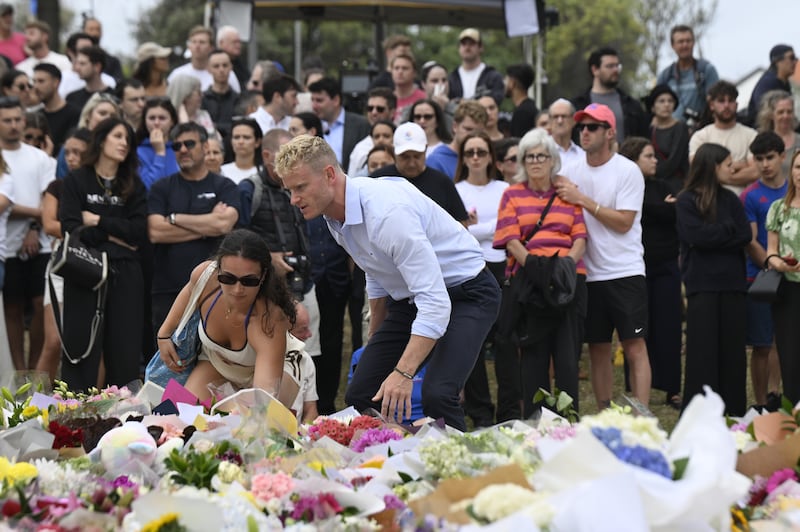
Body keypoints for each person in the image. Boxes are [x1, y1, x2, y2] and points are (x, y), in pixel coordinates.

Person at [275, 135, 501, 431]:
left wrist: (403, 373)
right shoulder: (334, 215)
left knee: (437, 394)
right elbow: (377, 271)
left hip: (468, 292)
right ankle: (386, 460)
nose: (293, 199)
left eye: (300, 187)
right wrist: (376, 342)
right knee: (361, 393)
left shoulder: (386, 213)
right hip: (413, 299)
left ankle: (457, 471)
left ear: (329, 175)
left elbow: (435, 302)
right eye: (289, 190)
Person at [554, 103, 651, 408]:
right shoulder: (568, 171)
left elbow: (624, 222)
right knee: (597, 347)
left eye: (593, 127)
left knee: (634, 345)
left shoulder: (628, 170)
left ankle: (641, 416)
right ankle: (605, 411)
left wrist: (583, 199)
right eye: (581, 126)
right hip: (588, 272)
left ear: (610, 132)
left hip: (625, 270)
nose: (584, 132)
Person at [494, 128, 586, 419]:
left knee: (568, 361)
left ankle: (568, 422)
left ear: (552, 160)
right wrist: (539, 270)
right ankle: (536, 423)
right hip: (530, 285)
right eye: (529, 156)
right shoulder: (511, 195)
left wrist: (562, 270)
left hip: (566, 284)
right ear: (522, 161)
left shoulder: (566, 193)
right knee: (533, 358)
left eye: (541, 156)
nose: (535, 161)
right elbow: (510, 240)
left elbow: (580, 238)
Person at [58, 117, 148, 390]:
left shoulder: (133, 183)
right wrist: (114, 235)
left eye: (128, 140)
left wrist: (98, 222)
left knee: (125, 350)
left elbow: (138, 232)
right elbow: (72, 228)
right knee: (80, 346)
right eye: (118, 136)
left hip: (126, 273)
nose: (124, 144)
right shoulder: (76, 180)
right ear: (101, 139)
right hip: (86, 271)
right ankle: (73, 414)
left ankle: (127, 419)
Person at [156, 229, 296, 400]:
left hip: (275, 373)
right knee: (182, 413)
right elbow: (190, 290)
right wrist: (164, 334)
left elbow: (263, 399)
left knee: (259, 421)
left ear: (263, 276)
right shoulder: (205, 277)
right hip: (216, 363)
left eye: (249, 281)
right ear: (217, 269)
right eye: (228, 279)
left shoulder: (269, 320)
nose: (237, 290)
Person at [676, 143, 750, 415]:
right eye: (728, 164)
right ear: (712, 166)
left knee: (732, 354)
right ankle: (699, 415)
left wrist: (717, 234)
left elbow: (744, 235)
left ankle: (734, 414)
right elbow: (695, 237)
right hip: (702, 286)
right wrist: (725, 232)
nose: (733, 169)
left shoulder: (731, 199)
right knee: (702, 354)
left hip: (732, 285)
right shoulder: (686, 200)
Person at [148, 122, 240, 340]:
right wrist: (207, 225)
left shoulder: (225, 186)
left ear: (205, 146)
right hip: (168, 289)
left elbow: (223, 225)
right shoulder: (161, 188)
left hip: (215, 289)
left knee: (212, 359)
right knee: (170, 362)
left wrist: (174, 219)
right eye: (176, 146)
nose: (182, 150)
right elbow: (156, 232)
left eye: (189, 143)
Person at [619, 137, 682, 410]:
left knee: (668, 326)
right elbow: (633, 215)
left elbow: (675, 214)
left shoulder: (663, 185)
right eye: (648, 155)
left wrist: (662, 209)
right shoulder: (625, 187)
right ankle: (635, 384)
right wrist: (661, 208)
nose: (655, 160)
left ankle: (671, 389)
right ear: (633, 160)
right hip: (635, 267)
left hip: (666, 265)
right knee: (638, 330)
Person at [455, 131, 508, 426]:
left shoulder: (504, 188)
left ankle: (510, 410)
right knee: (472, 345)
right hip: (469, 269)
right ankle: (480, 412)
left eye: (482, 152)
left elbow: (507, 226)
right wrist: (486, 228)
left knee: (505, 344)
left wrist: (472, 227)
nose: (476, 157)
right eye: (470, 152)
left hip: (503, 267)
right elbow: (452, 229)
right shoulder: (455, 190)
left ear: (491, 157)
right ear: (463, 158)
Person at [1, 97, 55, 371]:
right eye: (6, 120)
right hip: (6, 246)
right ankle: (18, 368)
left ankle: (33, 366)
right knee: (11, 307)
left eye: (17, 119)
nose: (13, 125)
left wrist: (34, 226)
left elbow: (49, 203)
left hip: (40, 243)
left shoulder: (40, 159)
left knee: (38, 303)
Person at [36, 127, 90, 382]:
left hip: (93, 269)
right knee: (54, 341)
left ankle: (91, 405)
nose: (70, 157)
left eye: (78, 152)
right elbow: (48, 225)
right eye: (67, 152)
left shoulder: (97, 189)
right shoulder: (57, 186)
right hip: (61, 266)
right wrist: (92, 225)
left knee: (90, 345)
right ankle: (31, 406)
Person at [741, 131, 787, 410]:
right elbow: (750, 240)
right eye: (759, 159)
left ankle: (775, 393)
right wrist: (772, 264)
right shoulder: (749, 195)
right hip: (758, 277)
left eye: (770, 157)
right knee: (760, 344)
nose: (765, 164)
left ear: (783, 156)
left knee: (783, 339)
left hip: (792, 275)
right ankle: (759, 403)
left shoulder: (792, 191)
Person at [373, 122, 468, 223]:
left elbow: (461, 226)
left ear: (426, 149)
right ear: (393, 151)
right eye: (405, 157)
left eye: (417, 156)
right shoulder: (377, 181)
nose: (411, 163)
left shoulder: (442, 183)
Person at [766, 150, 800, 405]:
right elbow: (771, 252)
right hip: (788, 289)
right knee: (790, 354)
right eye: (798, 167)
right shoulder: (779, 208)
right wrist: (780, 264)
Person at [689, 81, 758, 196]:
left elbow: (756, 172)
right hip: (707, 202)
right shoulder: (700, 137)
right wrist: (742, 165)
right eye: (721, 101)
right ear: (712, 105)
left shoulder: (751, 135)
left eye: (730, 100)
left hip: (742, 203)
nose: (726, 105)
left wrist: (717, 172)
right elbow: (699, 171)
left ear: (736, 104)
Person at [571, 47, 647, 143]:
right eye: (610, 66)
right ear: (595, 70)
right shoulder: (578, 105)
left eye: (617, 66)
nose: (615, 70)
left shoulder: (632, 105)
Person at [656, 25, 719, 125]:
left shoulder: (706, 70)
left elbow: (717, 104)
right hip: (672, 132)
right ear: (673, 45)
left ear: (693, 43)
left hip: (701, 130)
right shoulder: (665, 76)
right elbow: (657, 108)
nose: (685, 45)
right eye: (680, 42)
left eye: (688, 41)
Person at [308, 77, 371, 172]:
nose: (314, 106)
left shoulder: (361, 125)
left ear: (336, 100)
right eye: (312, 100)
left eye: (319, 101)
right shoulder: (310, 126)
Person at [167, 26, 241, 93]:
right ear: (189, 46)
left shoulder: (226, 73)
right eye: (194, 42)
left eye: (202, 42)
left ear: (211, 47)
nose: (197, 46)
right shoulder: (177, 75)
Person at [426, 100, 488, 179]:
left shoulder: (486, 159)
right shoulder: (436, 161)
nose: (472, 136)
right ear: (455, 126)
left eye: (478, 132)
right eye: (468, 129)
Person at [646, 84, 690, 194]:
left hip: (675, 185)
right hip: (652, 185)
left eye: (670, 101)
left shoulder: (680, 127)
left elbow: (674, 161)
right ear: (653, 106)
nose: (666, 105)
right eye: (661, 101)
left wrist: (652, 173)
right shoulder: (649, 129)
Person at [346, 87, 397, 177]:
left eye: (380, 109)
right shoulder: (360, 149)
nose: (374, 112)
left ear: (392, 112)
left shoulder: (403, 142)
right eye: (370, 108)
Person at [32, 63, 80, 154]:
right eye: (34, 81)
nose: (36, 86)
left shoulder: (74, 114)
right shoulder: (36, 116)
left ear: (56, 82)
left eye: (41, 81)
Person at [448, 28, 504, 105]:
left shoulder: (493, 76)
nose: (467, 47)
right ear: (459, 48)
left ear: (481, 47)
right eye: (464, 44)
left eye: (471, 43)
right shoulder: (451, 77)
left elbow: (497, 100)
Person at [285, 300, 319, 423]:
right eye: (302, 330)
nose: (309, 334)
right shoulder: (255, 363)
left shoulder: (306, 360)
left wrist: (302, 437)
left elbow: (311, 410)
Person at [135, 97, 179, 190]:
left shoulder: (180, 148)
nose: (156, 123)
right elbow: (146, 188)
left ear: (172, 121)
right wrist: (159, 153)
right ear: (144, 121)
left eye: (162, 118)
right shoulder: (137, 152)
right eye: (152, 118)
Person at [747, 45, 796, 127]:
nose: (795, 62)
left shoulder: (785, 82)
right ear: (778, 61)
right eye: (792, 58)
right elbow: (763, 115)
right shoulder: (768, 83)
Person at [756, 90, 800, 179]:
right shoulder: (762, 142)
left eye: (789, 111)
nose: (785, 116)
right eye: (781, 112)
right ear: (771, 114)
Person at [202, 49, 239, 140]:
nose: (221, 70)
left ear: (231, 67)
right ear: (209, 69)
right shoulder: (202, 100)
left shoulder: (239, 99)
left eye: (225, 65)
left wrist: (215, 126)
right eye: (216, 66)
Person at [65, 45, 114, 112]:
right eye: (77, 63)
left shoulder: (113, 97)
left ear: (97, 66)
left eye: (82, 64)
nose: (77, 68)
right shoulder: (72, 98)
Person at [220, 116, 262, 184]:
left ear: (257, 142)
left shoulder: (264, 173)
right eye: (236, 137)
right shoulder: (221, 172)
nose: (241, 142)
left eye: (246, 137)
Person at [548, 98, 584, 172]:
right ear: (550, 121)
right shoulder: (541, 151)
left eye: (564, 116)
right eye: (555, 117)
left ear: (574, 120)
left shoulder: (582, 155)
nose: (560, 121)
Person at [505, 63, 538, 138]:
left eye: (506, 80)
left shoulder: (523, 113)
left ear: (512, 83)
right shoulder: (529, 107)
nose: (504, 83)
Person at [391, 53, 425, 123]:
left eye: (405, 68)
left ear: (414, 73)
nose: (400, 72)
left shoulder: (423, 98)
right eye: (396, 68)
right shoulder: (387, 99)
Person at [421, 62, 456, 127]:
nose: (440, 85)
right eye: (434, 81)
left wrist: (447, 108)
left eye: (444, 80)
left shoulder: (458, 110)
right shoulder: (413, 110)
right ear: (424, 84)